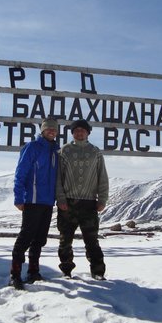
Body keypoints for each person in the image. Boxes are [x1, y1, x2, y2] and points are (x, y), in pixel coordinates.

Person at [56, 119, 109, 280]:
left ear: (88, 133)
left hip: (89, 203)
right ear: (72, 133)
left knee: (92, 240)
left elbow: (103, 177)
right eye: (76, 130)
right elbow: (58, 178)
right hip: (68, 202)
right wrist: (60, 199)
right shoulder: (64, 151)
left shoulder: (96, 152)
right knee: (65, 240)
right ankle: (66, 270)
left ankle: (98, 271)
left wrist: (103, 199)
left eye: (83, 130)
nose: (79, 133)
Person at [10, 118, 60, 290]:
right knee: (25, 237)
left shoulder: (56, 150)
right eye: (48, 129)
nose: (52, 131)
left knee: (39, 239)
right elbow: (20, 173)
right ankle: (15, 274)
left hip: (47, 202)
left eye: (54, 129)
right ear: (43, 130)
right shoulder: (32, 147)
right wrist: (19, 197)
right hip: (32, 200)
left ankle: (33, 271)